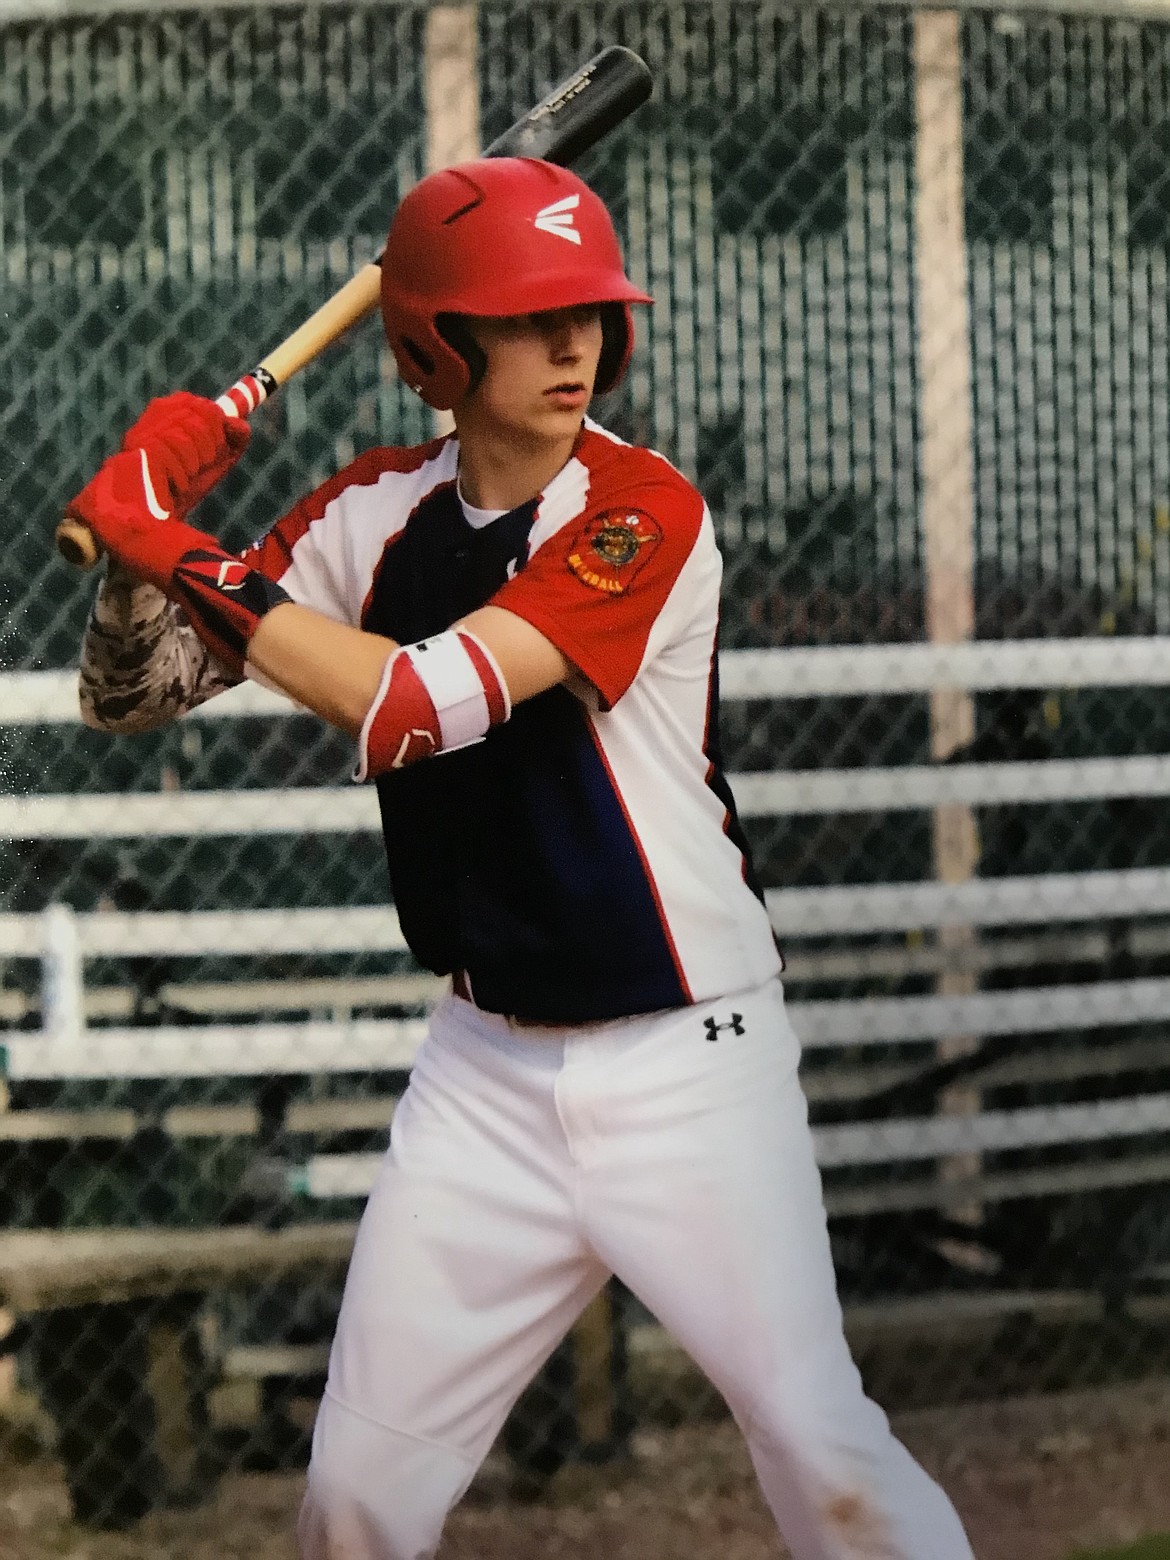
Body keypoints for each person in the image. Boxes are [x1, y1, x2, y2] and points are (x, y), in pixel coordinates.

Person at [70, 157, 974, 1560]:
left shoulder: (643, 511)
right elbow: (133, 697)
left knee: (820, 1453)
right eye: (526, 316)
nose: (574, 346)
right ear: (438, 344)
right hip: (484, 1074)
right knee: (359, 1502)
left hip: (690, 1062)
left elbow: (421, 703)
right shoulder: (366, 515)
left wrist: (185, 548)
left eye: (590, 314)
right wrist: (140, 557)